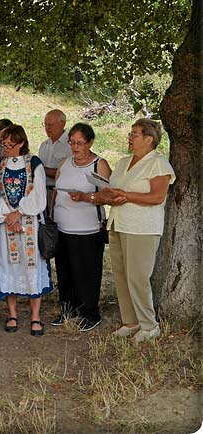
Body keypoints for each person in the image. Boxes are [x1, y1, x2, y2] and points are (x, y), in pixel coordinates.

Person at [95, 118, 175, 342]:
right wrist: (109, 194)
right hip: (119, 223)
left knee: (138, 276)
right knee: (120, 275)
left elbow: (157, 197)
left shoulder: (157, 163)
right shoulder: (122, 162)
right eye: (130, 133)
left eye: (135, 134)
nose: (130, 137)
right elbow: (113, 188)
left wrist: (126, 196)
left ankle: (149, 325)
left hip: (142, 228)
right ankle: (130, 322)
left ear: (149, 139)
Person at [52, 123, 112, 332]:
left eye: (79, 143)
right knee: (65, 271)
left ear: (90, 142)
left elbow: (110, 195)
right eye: (72, 142)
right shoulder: (65, 163)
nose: (75, 147)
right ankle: (69, 308)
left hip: (88, 229)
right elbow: (56, 192)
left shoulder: (99, 164)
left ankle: (90, 312)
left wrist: (87, 197)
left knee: (87, 272)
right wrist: (52, 216)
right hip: (63, 226)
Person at [0, 124, 51, 336]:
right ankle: (12, 313)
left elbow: (39, 195)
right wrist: (8, 217)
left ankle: (35, 316)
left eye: (10, 144)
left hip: (30, 224)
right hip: (6, 223)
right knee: (9, 265)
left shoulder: (34, 163)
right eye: (3, 144)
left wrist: (20, 212)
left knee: (32, 265)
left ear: (21, 143)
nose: (6, 148)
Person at [38, 109, 70, 215]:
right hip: (43, 192)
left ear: (62, 124)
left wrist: (40, 169)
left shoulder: (70, 145)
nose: (47, 128)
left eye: (51, 125)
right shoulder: (44, 145)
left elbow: (66, 173)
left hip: (61, 194)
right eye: (45, 124)